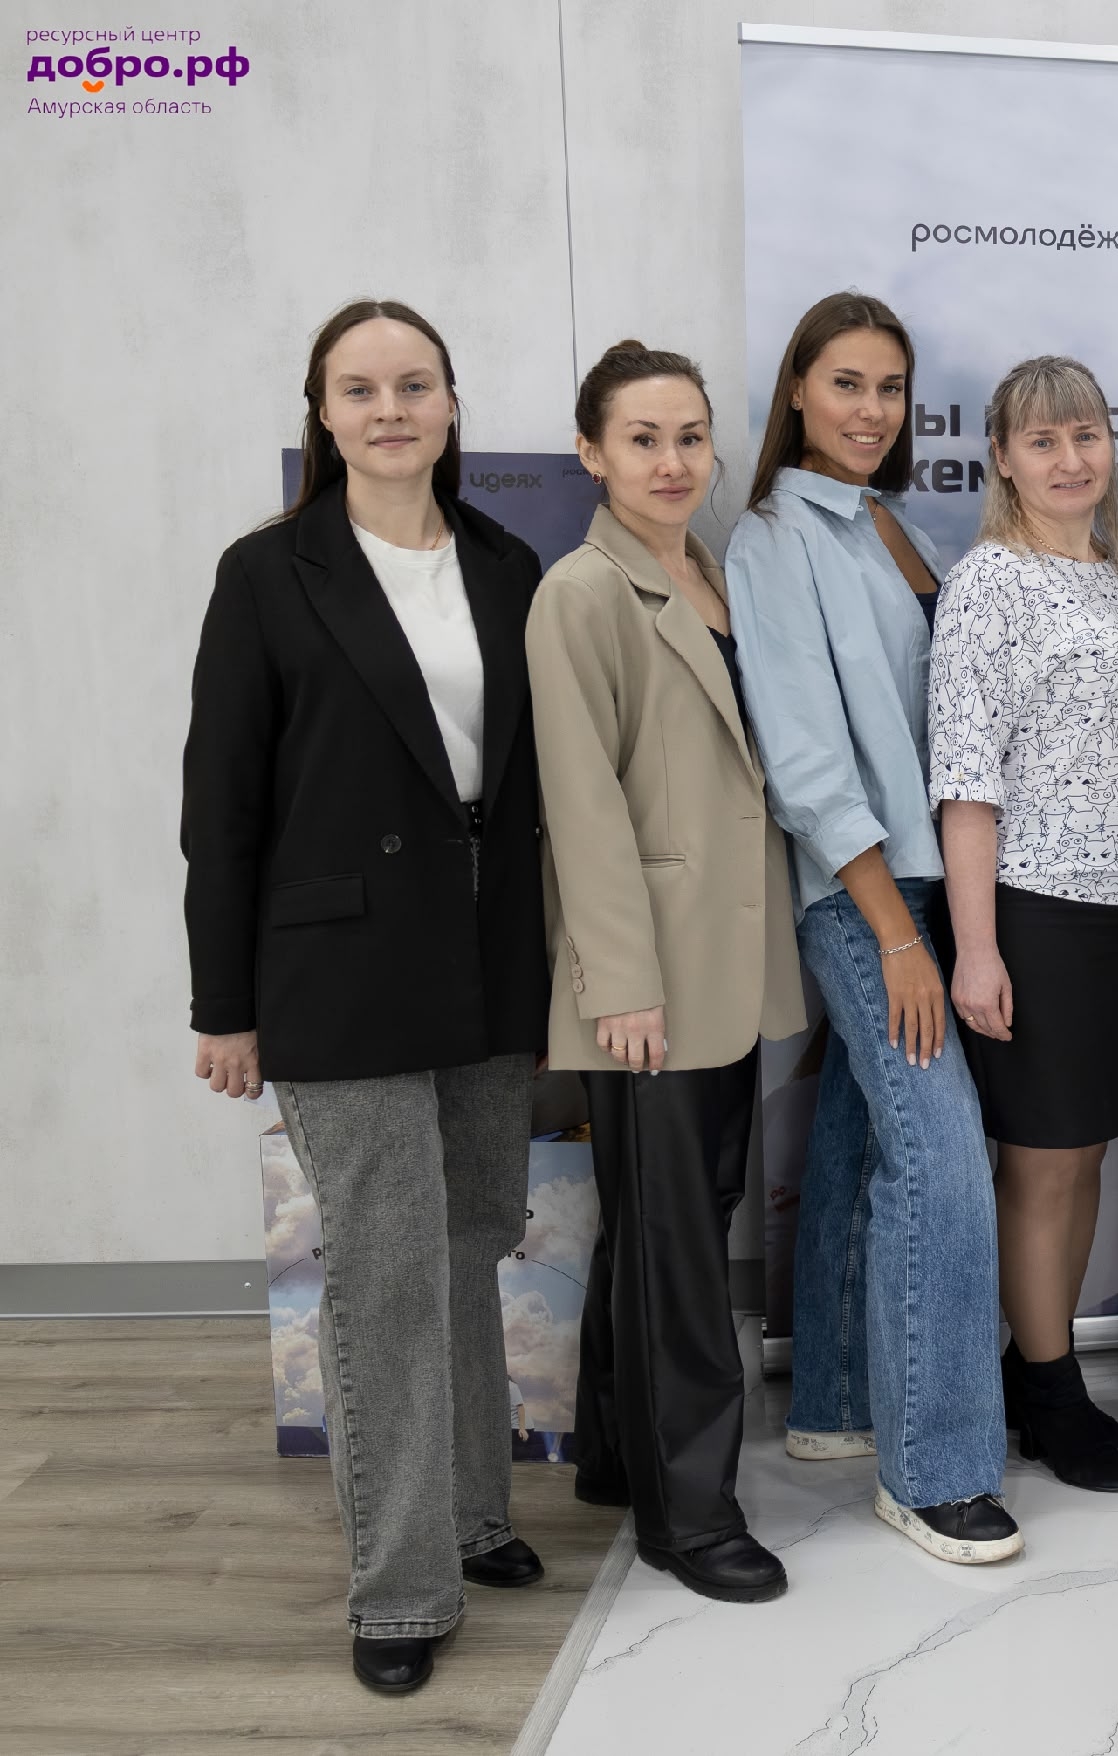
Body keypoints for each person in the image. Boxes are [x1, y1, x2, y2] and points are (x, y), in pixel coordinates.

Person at [182, 299, 548, 1693]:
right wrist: (223, 1005)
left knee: (471, 1237)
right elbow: (220, 809)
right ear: (323, 412)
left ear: (451, 403)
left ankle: (470, 1516)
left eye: (414, 384)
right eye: (360, 388)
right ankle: (398, 1587)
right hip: (337, 972)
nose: (390, 409)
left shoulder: (508, 563)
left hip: (486, 961)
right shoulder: (266, 574)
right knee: (388, 1267)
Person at [726, 292, 1020, 1566]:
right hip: (863, 894)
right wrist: (898, 936)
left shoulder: (892, 522)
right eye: (846, 383)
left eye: (889, 387)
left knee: (857, 1132)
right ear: (797, 388)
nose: (870, 409)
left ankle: (839, 1401)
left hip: (929, 882)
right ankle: (934, 1469)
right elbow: (803, 760)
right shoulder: (772, 537)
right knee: (942, 1157)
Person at [527, 339, 805, 1603]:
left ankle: (613, 1452)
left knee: (670, 1217)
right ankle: (687, 1517)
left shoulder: (709, 571)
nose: (672, 460)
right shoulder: (581, 594)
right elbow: (580, 808)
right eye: (642, 438)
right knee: (680, 1249)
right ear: (591, 452)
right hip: (652, 978)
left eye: (690, 435)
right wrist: (620, 983)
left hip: (723, 960)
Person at [931, 355, 1118, 1495]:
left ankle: (1046, 1369)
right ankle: (1046, 1388)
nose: (1070, 459)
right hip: (1033, 911)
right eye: (1042, 441)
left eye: (1085, 435)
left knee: (1081, 1159)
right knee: (1038, 1166)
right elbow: (966, 782)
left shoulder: (1114, 573)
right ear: (1002, 459)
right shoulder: (990, 583)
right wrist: (978, 948)